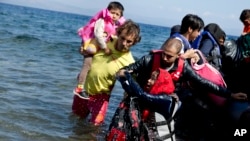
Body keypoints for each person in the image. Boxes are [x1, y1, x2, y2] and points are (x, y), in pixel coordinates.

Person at [116, 37, 248, 140]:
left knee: (154, 131)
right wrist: (123, 73)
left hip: (164, 101)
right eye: (164, 54)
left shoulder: (183, 66)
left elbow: (204, 83)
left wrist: (230, 94)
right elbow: (128, 70)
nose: (165, 58)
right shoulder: (149, 59)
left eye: (169, 56)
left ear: (179, 55)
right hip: (143, 96)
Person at [71, 19, 141, 126]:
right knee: (76, 120)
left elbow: (131, 88)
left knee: (95, 127)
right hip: (83, 91)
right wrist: (82, 49)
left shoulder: (129, 62)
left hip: (101, 96)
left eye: (129, 41)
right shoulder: (106, 40)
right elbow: (88, 45)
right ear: (118, 32)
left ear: (135, 42)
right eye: (122, 38)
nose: (124, 43)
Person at [74, 1, 126, 99]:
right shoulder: (102, 21)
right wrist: (105, 48)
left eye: (117, 14)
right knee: (87, 65)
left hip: (97, 48)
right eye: (112, 12)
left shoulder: (114, 25)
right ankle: (79, 89)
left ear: (120, 16)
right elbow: (98, 35)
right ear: (107, 12)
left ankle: (81, 77)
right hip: (89, 46)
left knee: (93, 67)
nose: (114, 15)